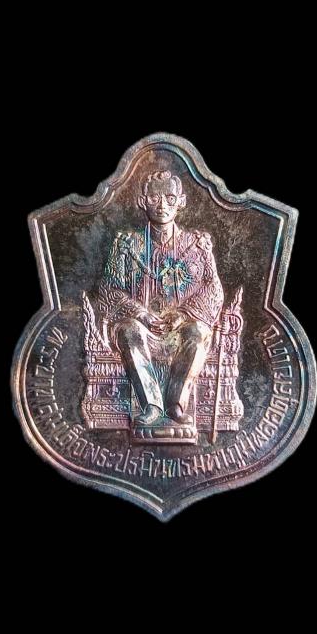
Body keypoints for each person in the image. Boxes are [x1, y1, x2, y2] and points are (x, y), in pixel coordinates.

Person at [98, 170, 224, 436]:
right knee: (128, 330)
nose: (162, 205)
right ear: (143, 201)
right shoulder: (127, 245)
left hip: (180, 328)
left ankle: (175, 405)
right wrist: (140, 313)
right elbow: (109, 290)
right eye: (154, 198)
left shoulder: (197, 245)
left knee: (198, 331)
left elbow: (213, 290)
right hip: (142, 328)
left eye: (170, 198)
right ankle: (152, 406)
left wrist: (183, 314)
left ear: (181, 201)